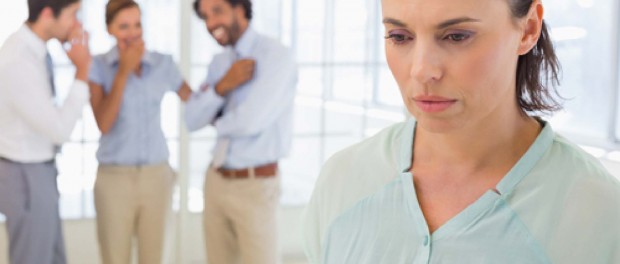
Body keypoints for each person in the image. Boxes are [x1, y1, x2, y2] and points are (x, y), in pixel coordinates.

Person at [303, 0, 620, 263]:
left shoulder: (598, 212)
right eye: (400, 36)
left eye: (456, 36)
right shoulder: (342, 180)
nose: (422, 70)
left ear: (528, 28)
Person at [187, 0, 298, 263]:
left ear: (239, 8)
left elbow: (250, 121)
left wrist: (216, 119)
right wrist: (222, 86)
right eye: (205, 17)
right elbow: (191, 118)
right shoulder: (219, 64)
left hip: (255, 186)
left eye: (217, 11)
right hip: (215, 180)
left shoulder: (276, 56)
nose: (211, 23)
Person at [87, 0, 192, 263]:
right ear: (109, 29)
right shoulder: (98, 66)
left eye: (137, 25)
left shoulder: (163, 63)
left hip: (157, 176)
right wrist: (123, 72)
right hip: (114, 180)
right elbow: (104, 123)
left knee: (155, 257)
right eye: (123, 26)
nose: (132, 33)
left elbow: (196, 102)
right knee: (115, 257)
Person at [0, 0, 91, 263]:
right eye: (73, 15)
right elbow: (59, 130)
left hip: (37, 170)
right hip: (25, 174)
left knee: (52, 257)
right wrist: (82, 69)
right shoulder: (18, 60)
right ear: (49, 14)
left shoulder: (34, 50)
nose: (78, 24)